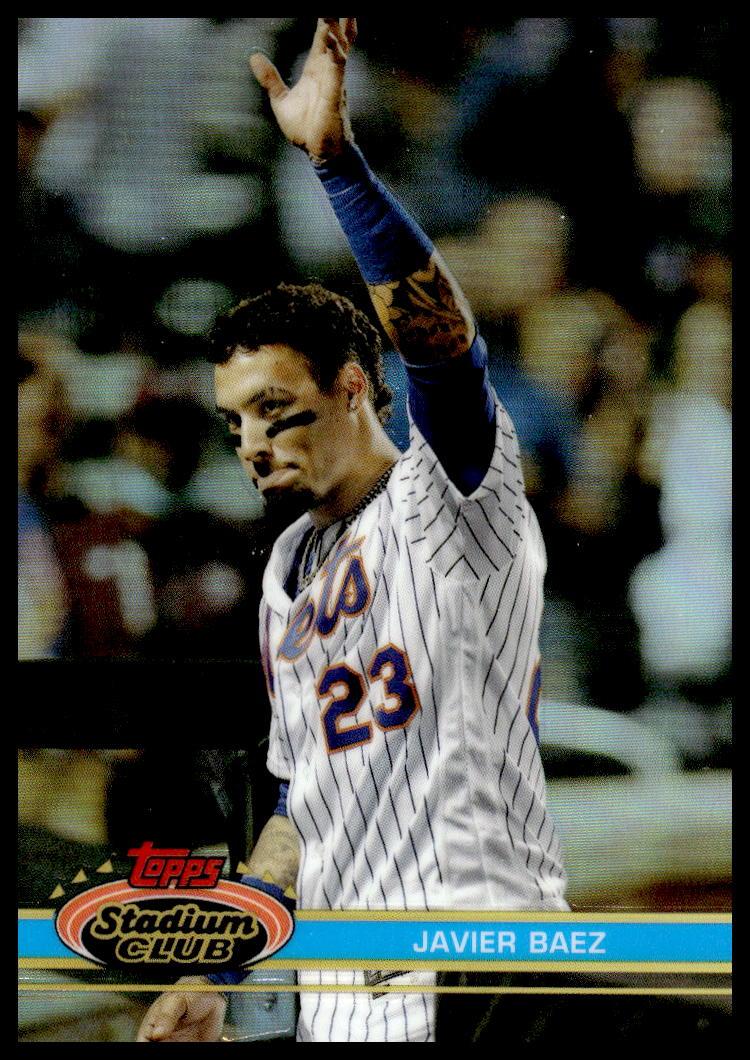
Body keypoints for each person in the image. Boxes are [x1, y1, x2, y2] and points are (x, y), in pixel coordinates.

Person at [137, 18, 567, 1044]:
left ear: (353, 387)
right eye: (234, 423)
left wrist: (337, 167)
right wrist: (215, 964)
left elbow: (444, 349)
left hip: (482, 968)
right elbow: (301, 807)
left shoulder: (453, 495)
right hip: (346, 1001)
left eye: (275, 410)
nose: (252, 445)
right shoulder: (287, 568)